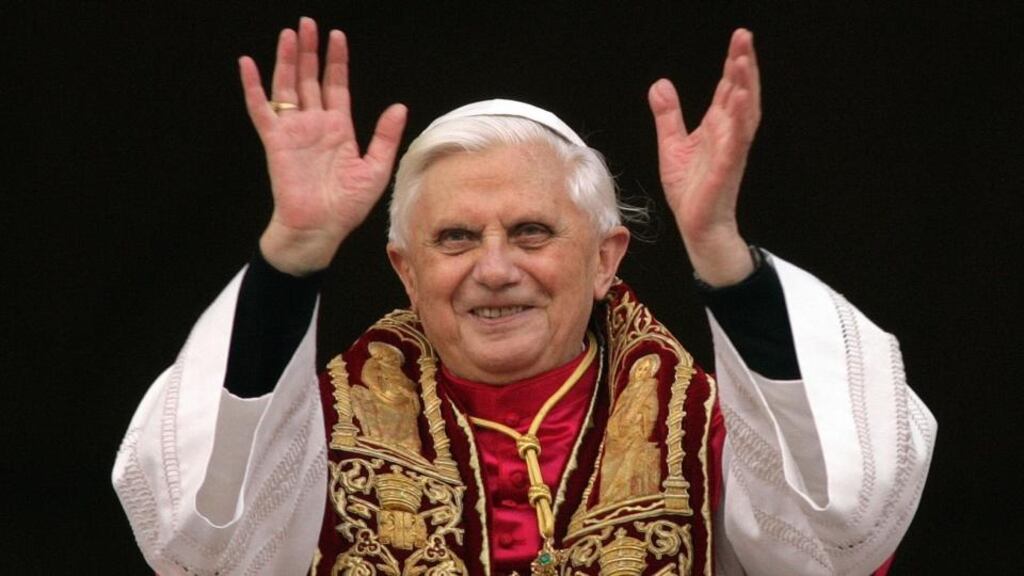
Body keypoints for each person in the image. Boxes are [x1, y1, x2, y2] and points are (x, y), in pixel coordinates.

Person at [113, 17, 936, 576]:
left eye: (533, 233)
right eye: (456, 238)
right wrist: (292, 254)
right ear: (404, 270)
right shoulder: (312, 434)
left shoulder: (704, 426)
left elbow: (840, 538)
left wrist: (719, 248)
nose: (495, 269)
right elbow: (205, 547)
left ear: (608, 259)